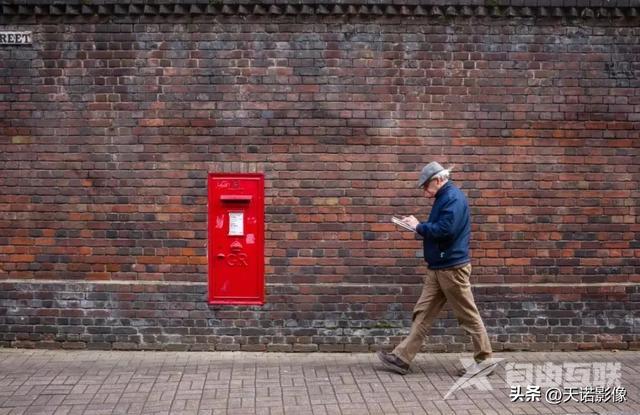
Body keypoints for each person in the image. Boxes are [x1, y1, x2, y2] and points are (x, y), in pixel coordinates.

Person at [377, 161, 495, 376]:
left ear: (438, 180)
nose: (424, 191)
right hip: (439, 267)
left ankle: (484, 360)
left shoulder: (452, 198)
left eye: (425, 186)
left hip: (451, 268)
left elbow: (445, 230)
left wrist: (418, 226)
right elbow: (441, 227)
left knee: (468, 315)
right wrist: (417, 224)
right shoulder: (445, 197)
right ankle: (401, 358)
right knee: (423, 313)